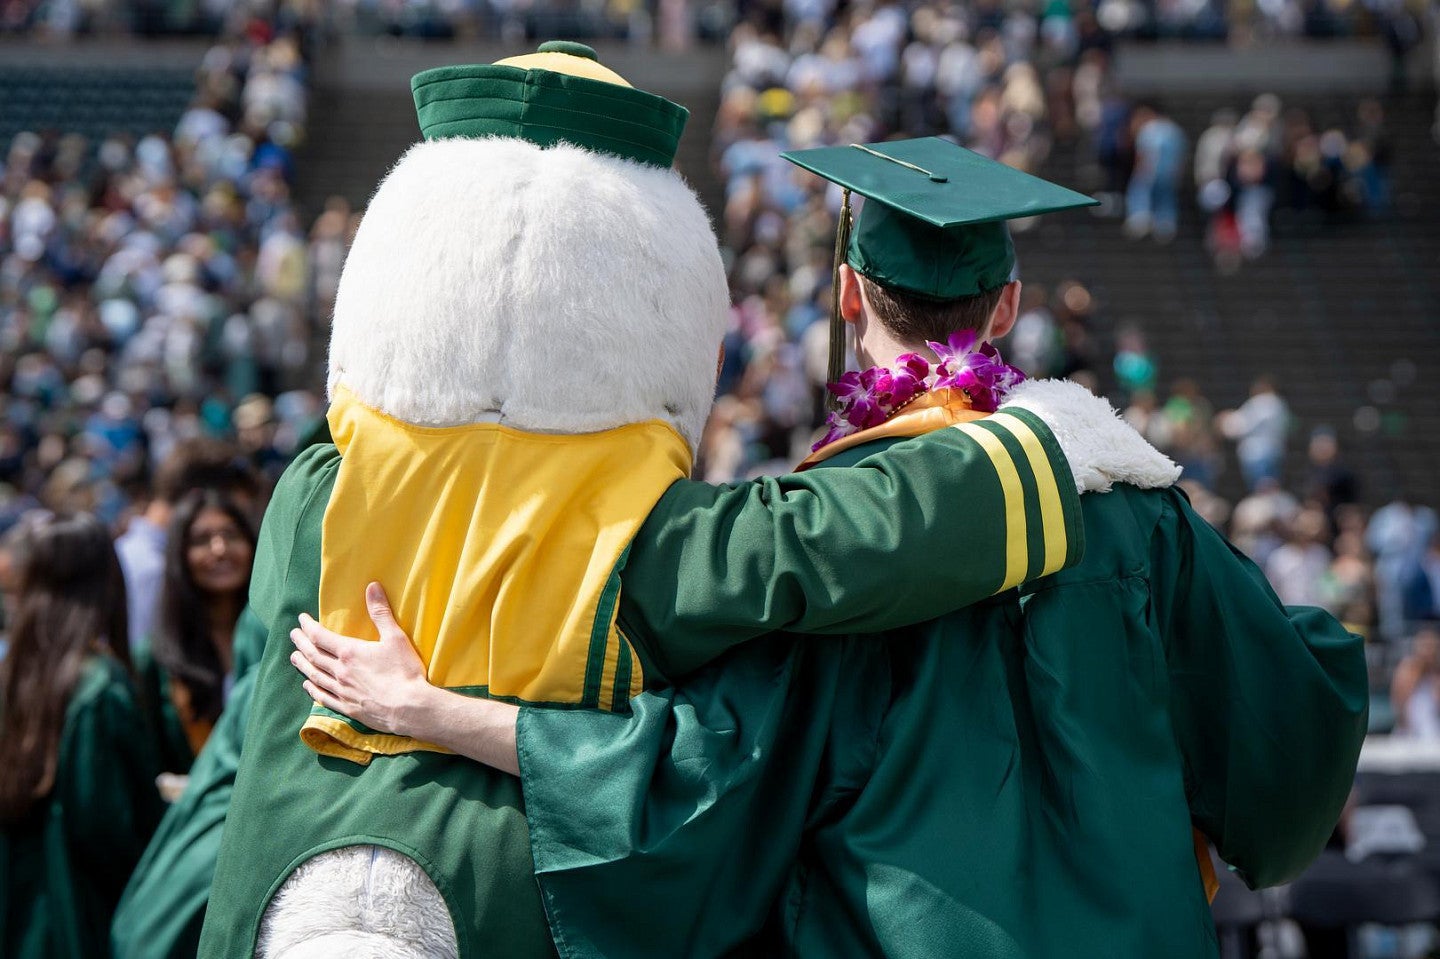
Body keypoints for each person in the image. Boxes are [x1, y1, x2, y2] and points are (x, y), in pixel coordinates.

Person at [292, 139, 1368, 957]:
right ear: (1007, 306)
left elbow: (691, 780)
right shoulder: (1130, 500)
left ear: (848, 291)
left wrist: (429, 708)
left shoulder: (824, 542)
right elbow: (1288, 737)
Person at [196, 48, 1160, 959]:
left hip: (283, 891)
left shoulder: (306, 501)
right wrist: (1053, 437)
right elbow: (848, 537)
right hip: (492, 905)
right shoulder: (653, 536)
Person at [0, 511, 165, 959]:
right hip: (81, 922)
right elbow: (110, 831)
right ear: (107, 582)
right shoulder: (100, 691)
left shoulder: (16, 676)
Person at [133, 487, 258, 774]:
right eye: (202, 540)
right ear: (180, 555)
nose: (220, 549)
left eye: (231, 535)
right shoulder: (154, 657)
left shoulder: (275, 637)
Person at [1391, 625, 1440, 739]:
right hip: (1407, 728)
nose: (1428, 650)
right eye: (1425, 646)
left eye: (1432, 646)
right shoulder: (1406, 668)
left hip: (1432, 727)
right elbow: (1399, 701)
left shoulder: (1436, 673)